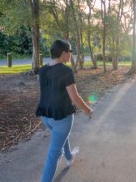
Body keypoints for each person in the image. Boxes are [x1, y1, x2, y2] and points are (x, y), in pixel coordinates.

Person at [36, 39, 93, 182]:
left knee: (61, 136)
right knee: (54, 154)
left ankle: (69, 157)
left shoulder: (42, 70)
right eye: (70, 52)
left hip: (45, 116)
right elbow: (74, 97)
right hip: (62, 118)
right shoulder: (66, 71)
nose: (71, 55)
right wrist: (87, 109)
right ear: (63, 53)